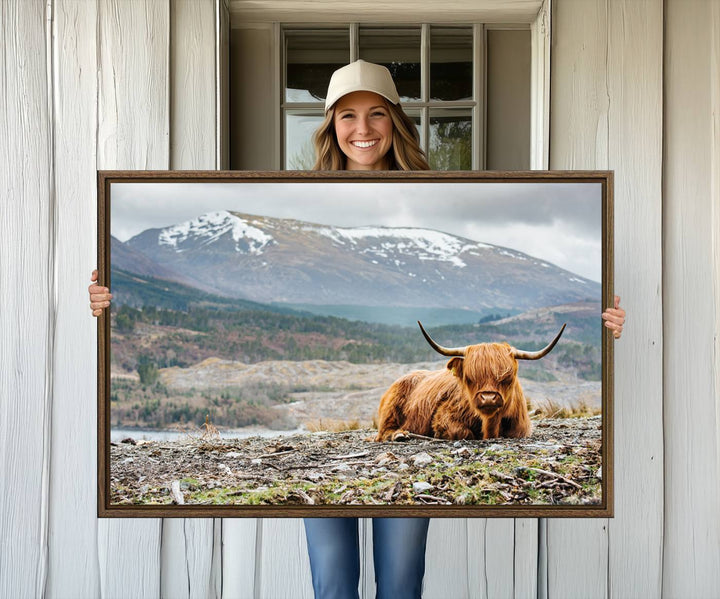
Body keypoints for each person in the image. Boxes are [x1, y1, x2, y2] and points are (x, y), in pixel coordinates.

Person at [88, 60, 626, 599]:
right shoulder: (292, 196)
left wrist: (606, 322)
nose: (362, 130)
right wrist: (110, 299)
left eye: (376, 115)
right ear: (329, 126)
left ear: (396, 122)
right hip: (389, 429)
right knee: (333, 583)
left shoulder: (442, 196)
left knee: (400, 582)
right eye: (347, 115)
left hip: (422, 434)